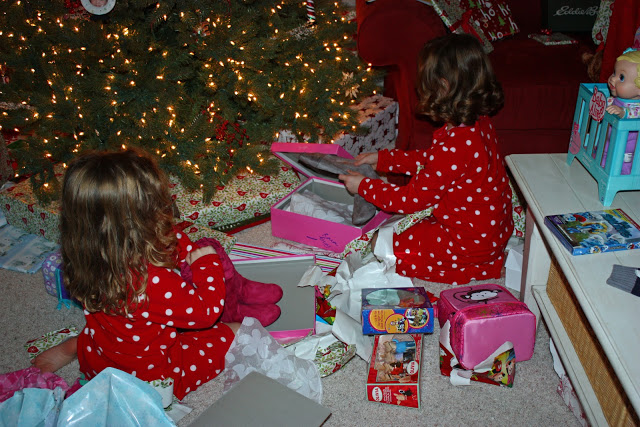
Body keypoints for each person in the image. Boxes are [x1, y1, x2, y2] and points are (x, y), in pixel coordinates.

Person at [33, 148, 281, 400]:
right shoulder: (150, 280)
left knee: (110, 330)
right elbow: (206, 313)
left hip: (101, 355)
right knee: (238, 331)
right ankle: (77, 348)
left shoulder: (84, 254)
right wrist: (207, 265)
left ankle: (74, 346)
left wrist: (185, 249)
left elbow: (165, 239)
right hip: (151, 379)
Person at [339, 33, 513, 285]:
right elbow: (433, 161)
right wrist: (385, 159)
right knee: (402, 231)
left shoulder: (456, 145)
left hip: (468, 243)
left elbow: (410, 200)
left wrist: (364, 187)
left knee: (381, 244)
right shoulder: (477, 123)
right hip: (490, 231)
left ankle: (476, 267)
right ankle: (479, 259)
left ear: (443, 87)